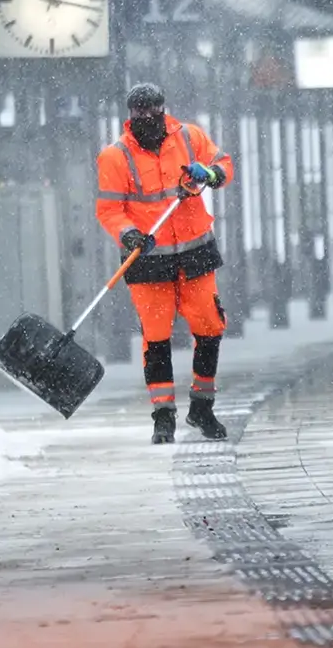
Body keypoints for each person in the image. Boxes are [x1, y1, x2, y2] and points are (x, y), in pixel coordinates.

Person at [95, 83, 235, 445]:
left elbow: (224, 165)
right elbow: (109, 209)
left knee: (210, 327)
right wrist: (129, 235)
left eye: (152, 110)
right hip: (147, 260)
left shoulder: (190, 137)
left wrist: (210, 175)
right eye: (139, 112)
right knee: (156, 337)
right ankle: (163, 416)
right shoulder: (115, 157)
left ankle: (202, 407)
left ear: (163, 109)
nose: (146, 118)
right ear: (130, 115)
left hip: (196, 252)